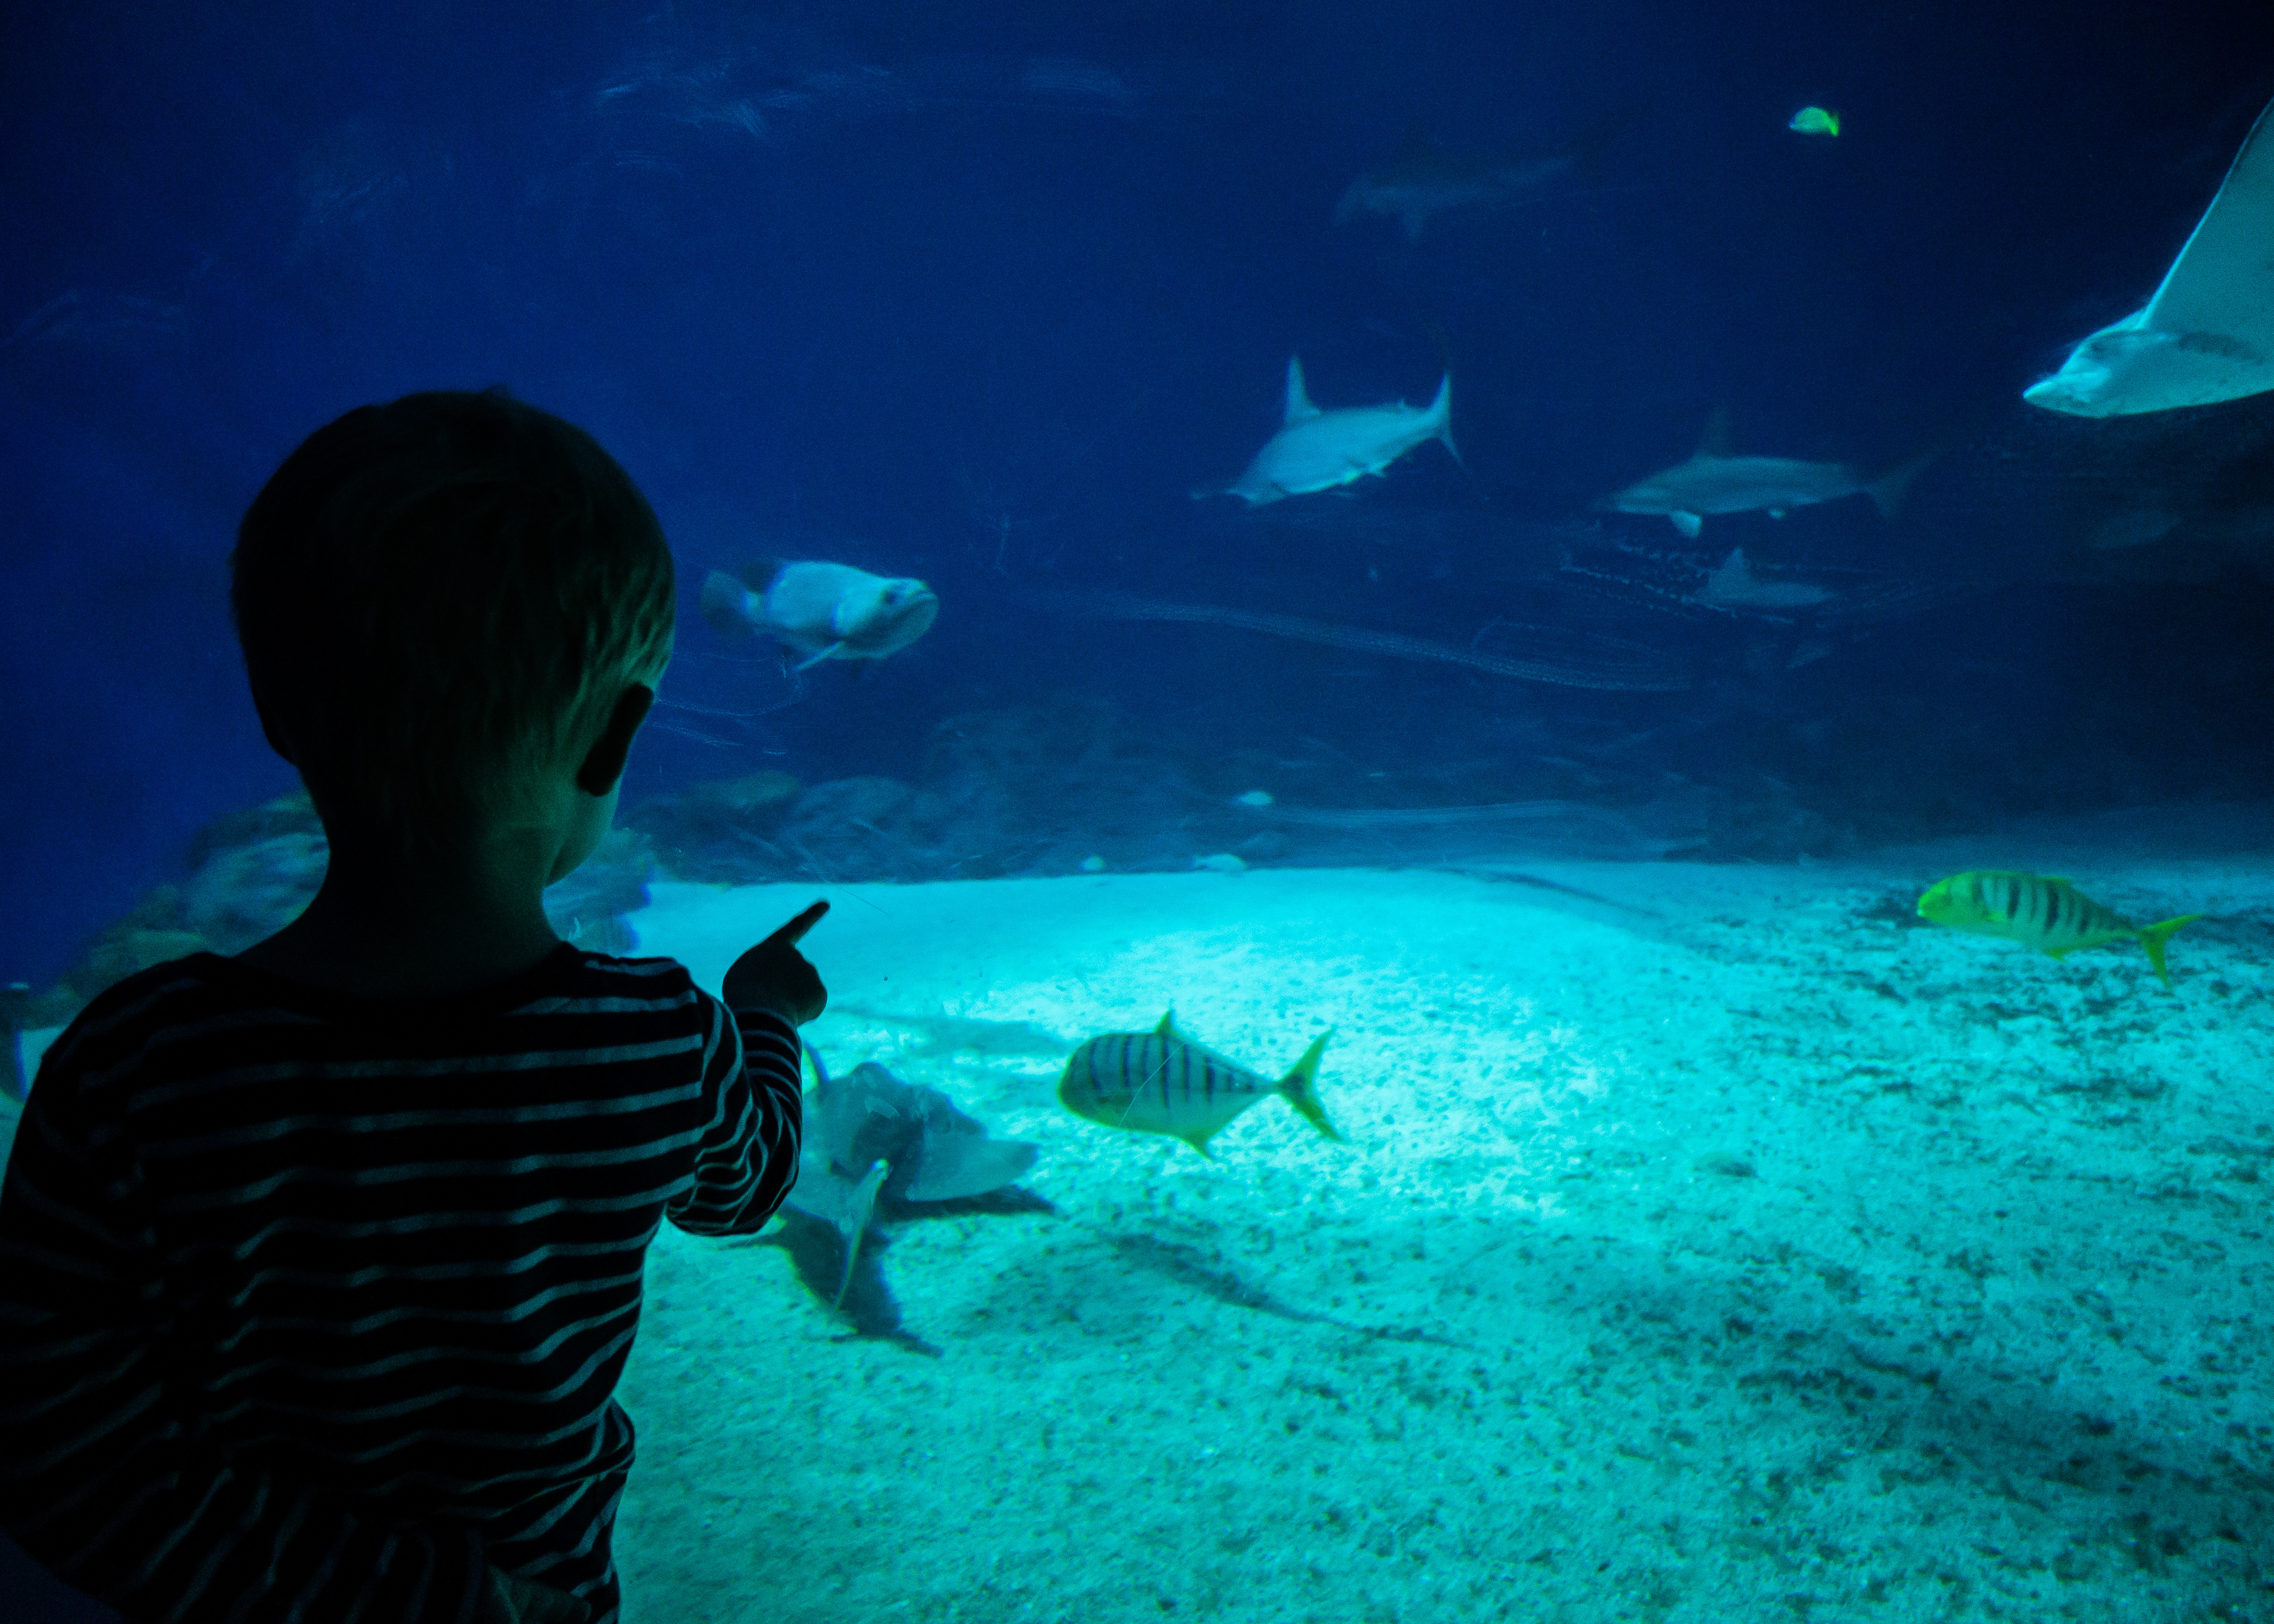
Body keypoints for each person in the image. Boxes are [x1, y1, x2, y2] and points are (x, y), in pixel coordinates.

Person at [0, 389, 824, 1623]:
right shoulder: (654, 1037)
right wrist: (764, 1016)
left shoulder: (141, 1061)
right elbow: (745, 1189)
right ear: (614, 740)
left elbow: (55, 1442)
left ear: (276, 712)